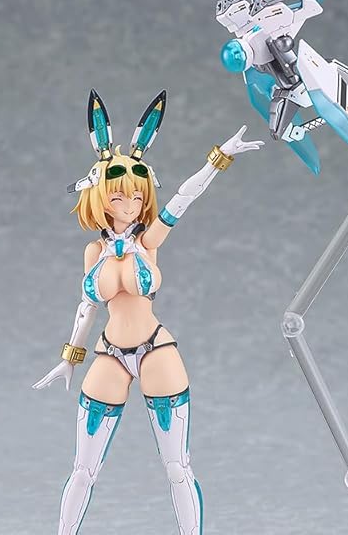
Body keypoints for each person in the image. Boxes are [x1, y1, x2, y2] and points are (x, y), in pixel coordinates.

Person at [33, 88, 263, 535]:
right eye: (120, 197)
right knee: (83, 469)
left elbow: (183, 198)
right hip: (109, 354)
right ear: (100, 196)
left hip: (156, 350)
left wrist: (219, 158)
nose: (131, 204)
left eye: (137, 197)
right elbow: (87, 307)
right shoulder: (93, 252)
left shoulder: (148, 241)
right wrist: (69, 358)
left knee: (177, 467)